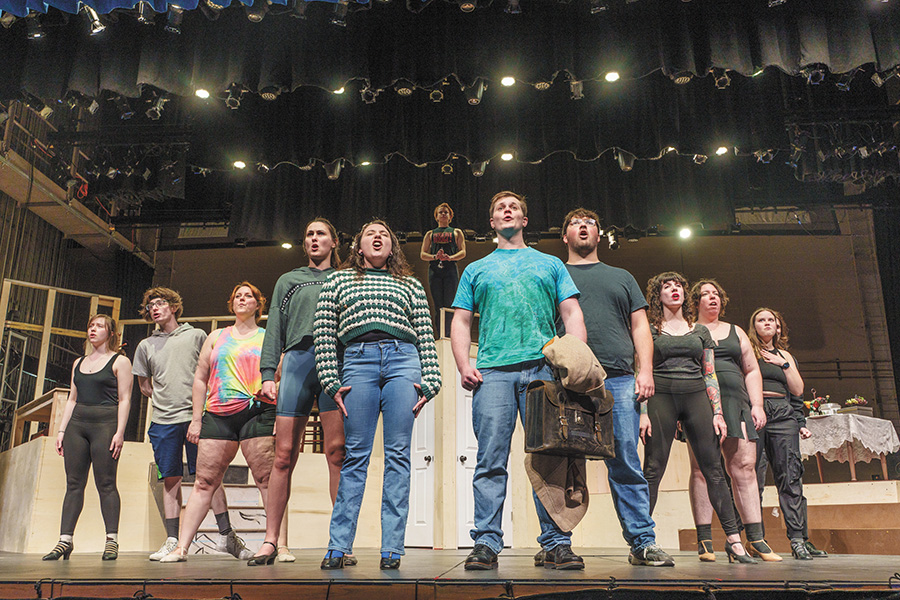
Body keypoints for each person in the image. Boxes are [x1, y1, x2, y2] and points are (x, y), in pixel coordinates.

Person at [451, 191, 588, 571]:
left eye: (514, 207)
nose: (507, 211)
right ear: (492, 222)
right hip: (493, 372)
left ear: (524, 221)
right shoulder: (476, 270)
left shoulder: (550, 264)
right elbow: (461, 321)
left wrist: (575, 360)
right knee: (490, 460)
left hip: (543, 371)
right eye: (499, 208)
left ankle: (557, 543)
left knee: (550, 460)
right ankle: (486, 543)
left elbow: (571, 312)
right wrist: (463, 363)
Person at [314, 219, 441, 570]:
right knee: (355, 455)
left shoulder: (410, 285)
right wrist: (329, 379)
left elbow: (425, 333)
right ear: (358, 246)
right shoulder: (338, 280)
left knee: (398, 456)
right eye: (371, 233)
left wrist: (431, 379)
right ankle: (338, 546)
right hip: (358, 363)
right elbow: (324, 332)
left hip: (404, 361)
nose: (378, 237)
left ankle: (392, 550)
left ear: (392, 247)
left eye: (385, 234)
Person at [560, 208, 674, 567]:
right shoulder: (553, 273)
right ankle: (555, 543)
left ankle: (642, 541)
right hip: (566, 382)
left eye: (591, 223)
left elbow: (640, 327)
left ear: (599, 235)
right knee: (559, 463)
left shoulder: (621, 276)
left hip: (620, 380)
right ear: (565, 236)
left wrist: (647, 372)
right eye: (576, 223)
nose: (584, 227)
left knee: (626, 461)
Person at [249, 218, 350, 566]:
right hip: (296, 364)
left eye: (321, 233)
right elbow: (274, 326)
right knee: (283, 454)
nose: (314, 239)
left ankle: (341, 542)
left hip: (335, 363)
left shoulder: (346, 279)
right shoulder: (288, 281)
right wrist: (267, 373)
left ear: (334, 242)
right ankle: (270, 540)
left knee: (337, 452)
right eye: (309, 234)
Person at [640, 272, 753, 563]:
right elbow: (641, 370)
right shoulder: (649, 329)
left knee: (714, 469)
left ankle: (734, 541)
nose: (674, 290)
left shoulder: (699, 331)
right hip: (660, 396)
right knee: (653, 469)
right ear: (658, 295)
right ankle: (641, 540)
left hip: (696, 397)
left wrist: (717, 412)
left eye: (678, 285)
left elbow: (709, 372)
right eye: (667, 286)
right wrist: (642, 412)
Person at [133, 287, 249, 561]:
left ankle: (227, 535)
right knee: (170, 479)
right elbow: (145, 386)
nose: (154, 308)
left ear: (173, 306)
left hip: (197, 416)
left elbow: (210, 370)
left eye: (160, 303)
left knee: (209, 477)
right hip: (163, 421)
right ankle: (172, 539)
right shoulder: (145, 346)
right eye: (150, 306)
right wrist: (167, 397)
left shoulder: (196, 335)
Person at [160, 282, 274, 562]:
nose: (242, 299)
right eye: (237, 296)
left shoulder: (267, 336)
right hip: (219, 413)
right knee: (204, 482)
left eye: (248, 296)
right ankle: (181, 548)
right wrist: (196, 419)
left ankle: (276, 545)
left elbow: (280, 373)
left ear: (258, 304)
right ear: (231, 303)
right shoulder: (216, 336)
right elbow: (200, 378)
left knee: (265, 480)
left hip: (257, 410)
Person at [685, 280, 779, 561]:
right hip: (699, 402)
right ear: (695, 301)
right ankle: (705, 541)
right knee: (702, 470)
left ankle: (756, 538)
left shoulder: (735, 331)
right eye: (705, 294)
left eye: (716, 294)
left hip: (736, 401)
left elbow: (751, 370)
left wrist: (757, 405)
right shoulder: (688, 331)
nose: (712, 299)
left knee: (745, 468)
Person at [43, 314, 132, 561]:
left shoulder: (120, 362)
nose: (93, 330)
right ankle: (65, 540)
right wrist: (61, 430)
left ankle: (112, 540)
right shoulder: (78, 363)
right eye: (91, 325)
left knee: (105, 483)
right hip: (77, 425)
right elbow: (72, 398)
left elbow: (125, 399)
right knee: (73, 484)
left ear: (111, 333)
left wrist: (120, 432)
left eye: (99, 326)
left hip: (105, 424)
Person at [748, 308, 827, 560]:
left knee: (791, 477)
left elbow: (797, 391)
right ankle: (754, 539)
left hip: (783, 416)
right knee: (753, 480)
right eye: (761, 320)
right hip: (754, 414)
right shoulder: (748, 351)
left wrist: (800, 421)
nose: (767, 323)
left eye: (771, 319)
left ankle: (798, 539)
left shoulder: (785, 356)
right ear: (754, 326)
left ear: (778, 326)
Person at [420, 203, 466, 317]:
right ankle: (440, 333)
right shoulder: (430, 234)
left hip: (450, 270)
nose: (443, 214)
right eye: (441, 212)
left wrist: (450, 258)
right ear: (436, 216)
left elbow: (463, 252)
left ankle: (449, 334)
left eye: (446, 212)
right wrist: (435, 257)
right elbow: (423, 254)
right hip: (434, 271)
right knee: (438, 305)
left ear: (450, 217)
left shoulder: (457, 232)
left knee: (449, 304)